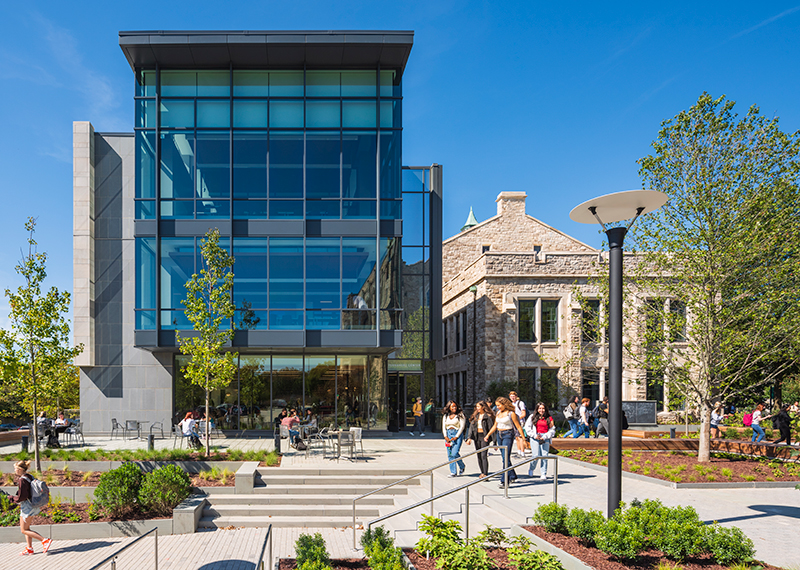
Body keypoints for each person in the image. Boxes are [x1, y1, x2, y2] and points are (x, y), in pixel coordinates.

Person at [11, 460, 53, 556]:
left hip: (27, 506)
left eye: (16, 469)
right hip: (33, 504)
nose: (14, 470)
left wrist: (12, 498)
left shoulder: (22, 480)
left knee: (23, 530)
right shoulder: (29, 476)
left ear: (20, 469)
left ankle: (44, 540)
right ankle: (29, 548)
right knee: (27, 528)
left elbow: (22, 496)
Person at [484, 397, 524, 488]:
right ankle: (513, 475)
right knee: (504, 458)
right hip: (499, 435)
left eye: (499, 405)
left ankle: (504, 480)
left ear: (504, 404)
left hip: (508, 435)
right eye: (497, 405)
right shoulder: (498, 413)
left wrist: (523, 438)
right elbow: (495, 425)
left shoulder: (511, 413)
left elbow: (518, 426)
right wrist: (488, 435)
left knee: (505, 458)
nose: (497, 407)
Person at [524, 402, 556, 479]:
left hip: (545, 437)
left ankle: (543, 473)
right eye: (540, 408)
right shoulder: (532, 417)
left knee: (544, 455)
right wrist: (534, 435)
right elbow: (527, 427)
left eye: (543, 408)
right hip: (535, 436)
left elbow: (552, 429)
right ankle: (532, 468)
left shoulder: (549, 418)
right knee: (536, 455)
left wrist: (545, 436)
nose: (541, 410)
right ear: (537, 409)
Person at [465, 401, 495, 478]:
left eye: (478, 406)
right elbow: (471, 428)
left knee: (483, 455)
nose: (477, 408)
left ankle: (485, 473)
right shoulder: (476, 416)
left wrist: (495, 442)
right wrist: (469, 438)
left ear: (483, 407)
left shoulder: (487, 416)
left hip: (485, 437)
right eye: (476, 407)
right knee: (479, 455)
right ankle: (482, 472)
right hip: (477, 436)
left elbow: (492, 428)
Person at [442, 401, 466, 477]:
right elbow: (443, 426)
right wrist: (445, 436)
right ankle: (453, 472)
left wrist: (456, 436)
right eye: (452, 406)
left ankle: (462, 466)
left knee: (455, 452)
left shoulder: (460, 415)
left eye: (455, 406)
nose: (454, 408)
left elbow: (462, 427)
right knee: (450, 454)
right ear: (449, 407)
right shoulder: (446, 416)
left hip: (456, 434)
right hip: (448, 434)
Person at [509, 391, 528, 457]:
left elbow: (523, 414)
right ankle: (519, 451)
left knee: (520, 437)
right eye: (511, 397)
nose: (512, 398)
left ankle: (522, 452)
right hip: (514, 422)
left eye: (513, 396)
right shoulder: (511, 404)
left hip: (520, 422)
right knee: (516, 437)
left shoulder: (520, 403)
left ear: (516, 396)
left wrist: (516, 418)